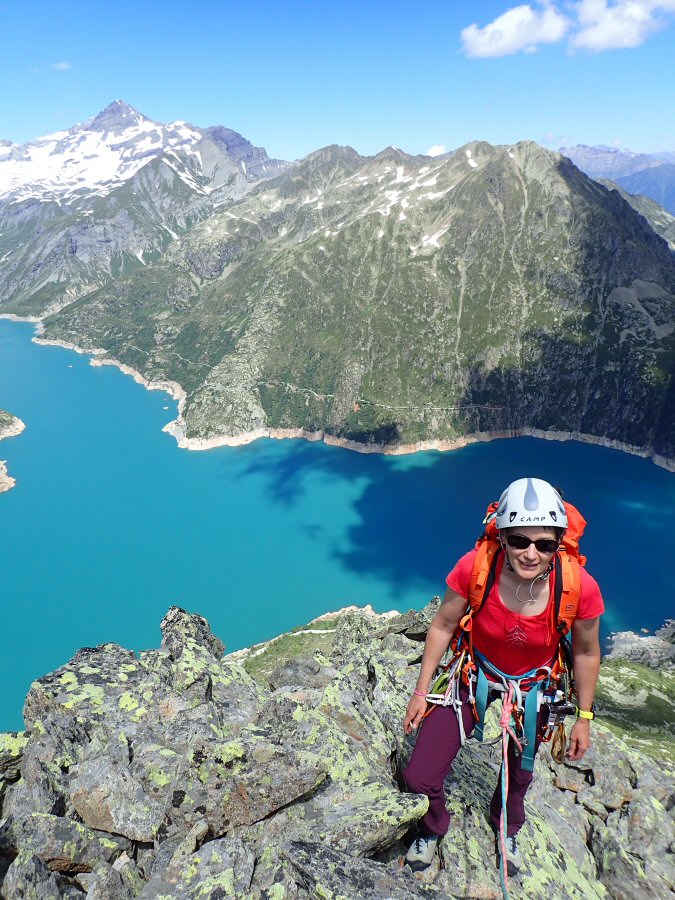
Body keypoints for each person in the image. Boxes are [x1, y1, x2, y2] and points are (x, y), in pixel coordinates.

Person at [402, 477, 603, 876]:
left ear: (558, 544)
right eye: (520, 542)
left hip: (535, 689)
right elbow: (442, 626)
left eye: (545, 544)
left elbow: (585, 652)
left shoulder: (579, 587)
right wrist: (421, 691)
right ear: (504, 537)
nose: (531, 554)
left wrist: (585, 717)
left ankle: (506, 829)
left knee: (520, 775)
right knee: (419, 775)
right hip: (473, 672)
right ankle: (432, 825)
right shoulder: (477, 567)